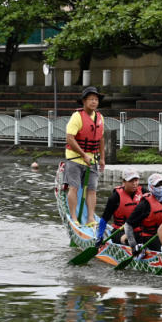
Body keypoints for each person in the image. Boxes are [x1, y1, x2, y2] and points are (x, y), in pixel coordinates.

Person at [65, 86, 106, 224]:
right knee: (74, 187)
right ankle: (74, 218)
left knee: (92, 189)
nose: (94, 102)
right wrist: (83, 155)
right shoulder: (77, 116)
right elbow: (70, 138)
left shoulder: (100, 117)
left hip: (93, 159)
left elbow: (101, 138)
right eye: (91, 99)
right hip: (75, 159)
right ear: (84, 101)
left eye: (96, 99)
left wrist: (102, 159)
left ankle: (90, 219)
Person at [124, 173, 162, 252]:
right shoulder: (144, 204)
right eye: (157, 185)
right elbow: (128, 225)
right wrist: (133, 245)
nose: (160, 187)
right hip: (150, 238)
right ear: (151, 187)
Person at [96, 167, 142, 246]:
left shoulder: (143, 193)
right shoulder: (115, 197)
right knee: (127, 238)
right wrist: (100, 236)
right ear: (124, 182)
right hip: (120, 231)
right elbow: (105, 218)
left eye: (136, 180)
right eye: (131, 181)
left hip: (138, 231)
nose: (134, 183)